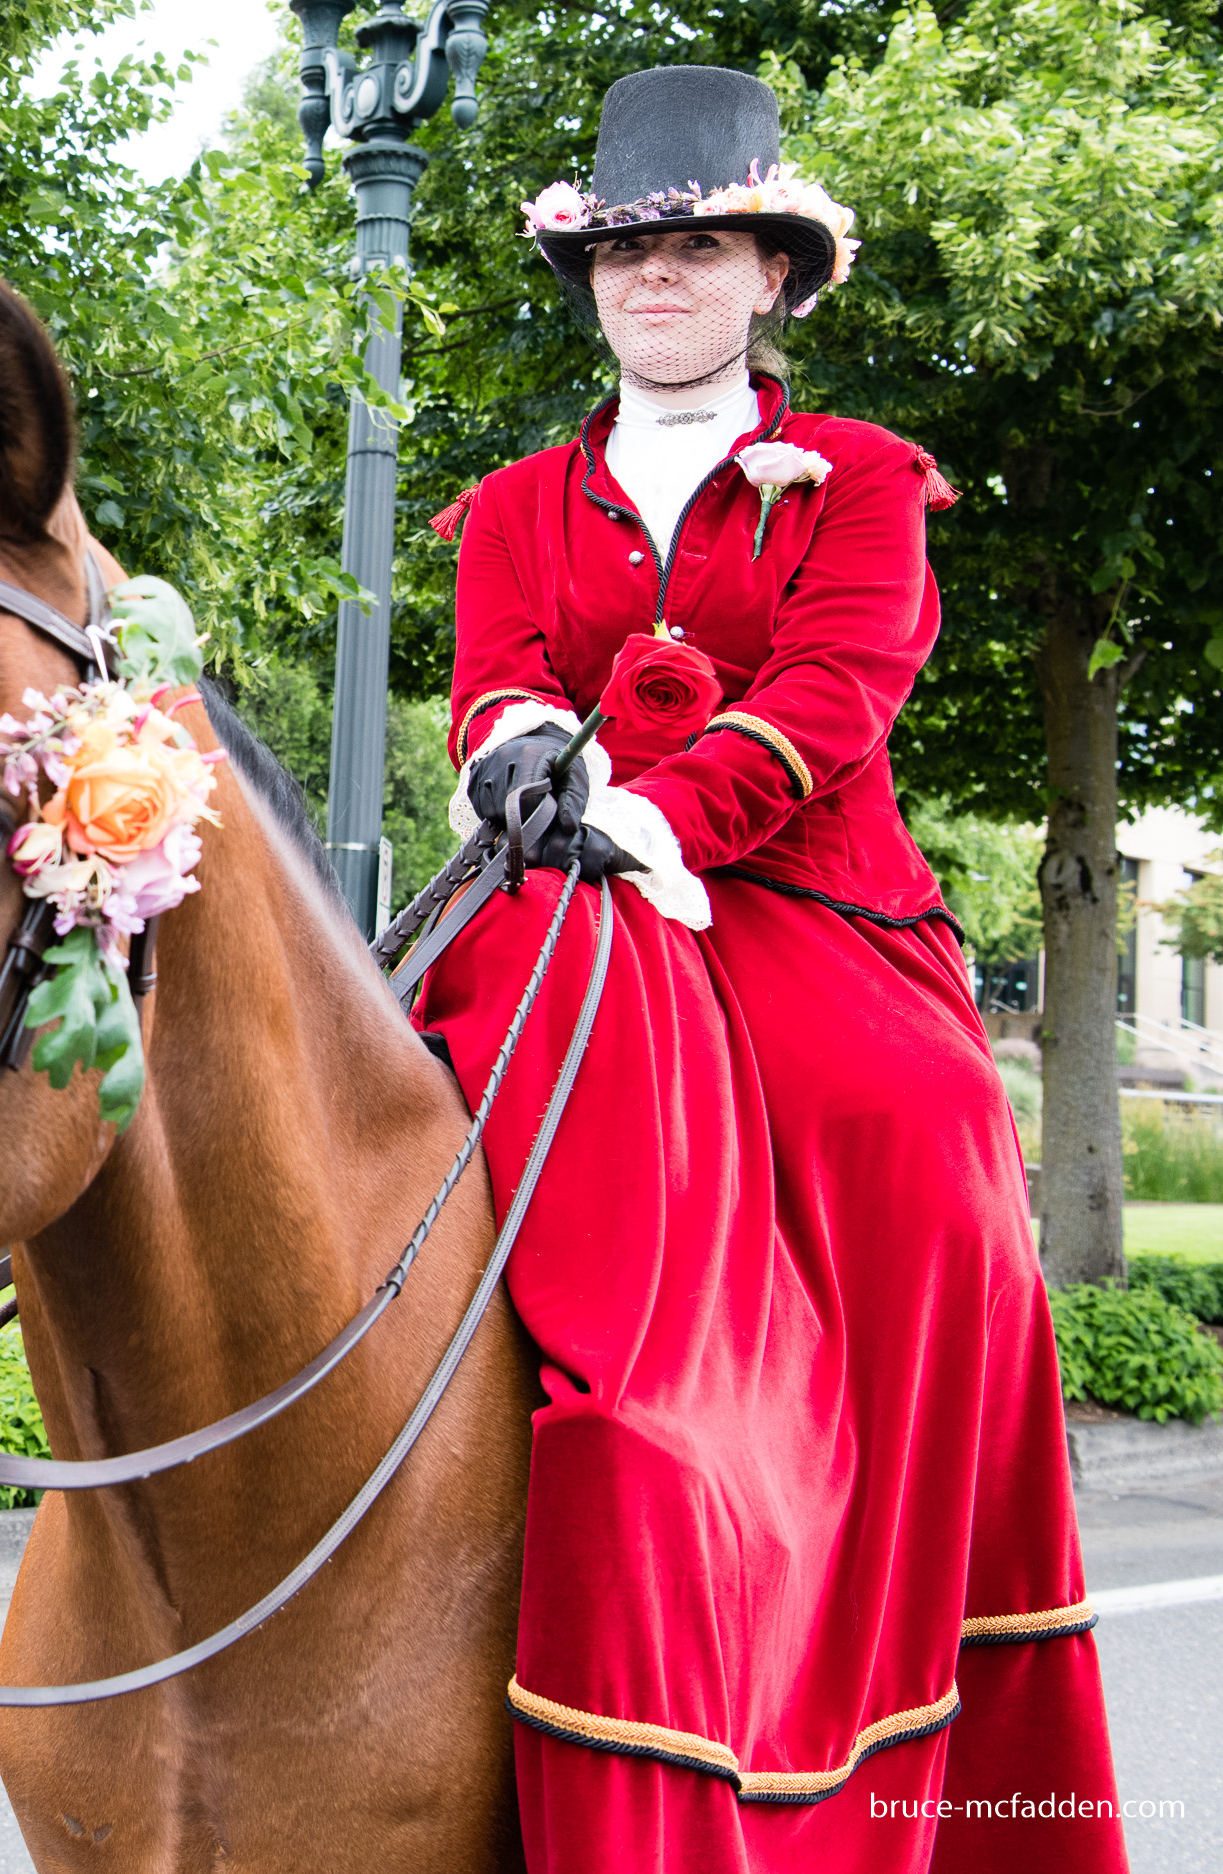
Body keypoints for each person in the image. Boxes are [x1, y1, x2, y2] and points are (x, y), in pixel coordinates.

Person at [414, 65, 1128, 1874]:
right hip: (565, 908)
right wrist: (511, 757)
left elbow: (834, 695)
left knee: (931, 1151)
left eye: (699, 244)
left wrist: (652, 815)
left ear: (772, 277)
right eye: (628, 249)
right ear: (591, 280)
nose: (658, 276)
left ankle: (883, 1648)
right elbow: (494, 679)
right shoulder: (510, 503)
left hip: (809, 913)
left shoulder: (868, 483)